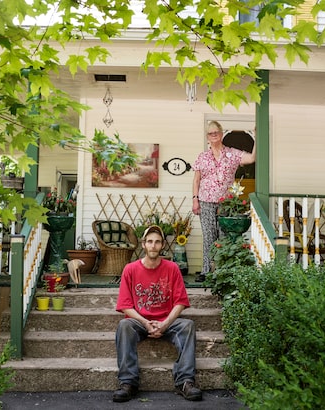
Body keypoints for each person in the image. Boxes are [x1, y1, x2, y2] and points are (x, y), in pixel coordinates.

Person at [113, 225, 202, 403]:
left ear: (162, 245)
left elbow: (180, 302)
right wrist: (145, 323)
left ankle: (185, 381)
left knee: (188, 325)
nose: (153, 245)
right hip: (139, 322)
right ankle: (128, 382)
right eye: (150, 242)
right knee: (124, 325)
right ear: (143, 244)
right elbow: (125, 306)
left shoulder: (172, 268)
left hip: (166, 321)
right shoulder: (130, 269)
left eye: (157, 242)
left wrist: (165, 323)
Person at [192, 121, 256, 282]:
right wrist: (195, 200)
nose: (214, 135)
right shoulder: (202, 157)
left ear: (221, 134)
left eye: (216, 132)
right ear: (207, 137)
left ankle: (221, 271)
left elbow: (252, 158)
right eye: (210, 133)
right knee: (208, 236)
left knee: (224, 236)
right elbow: (196, 180)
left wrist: (258, 137)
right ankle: (206, 271)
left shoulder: (232, 154)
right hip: (205, 200)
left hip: (225, 202)